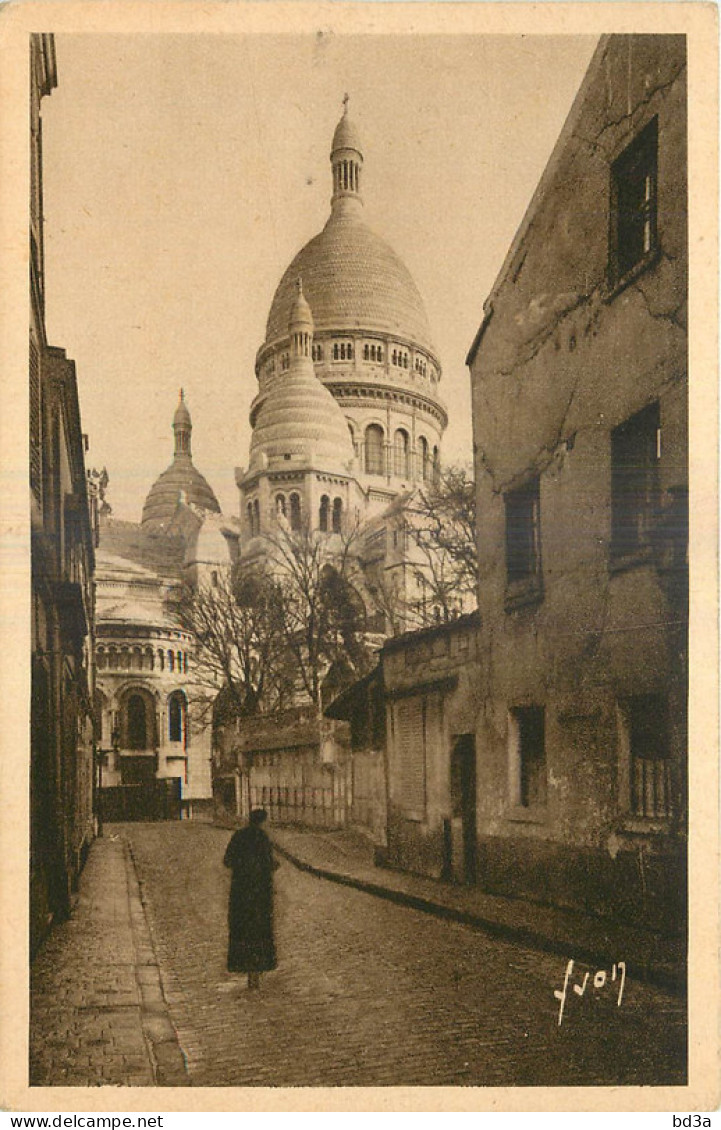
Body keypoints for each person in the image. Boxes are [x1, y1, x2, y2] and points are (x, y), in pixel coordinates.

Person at [223, 808, 278, 990]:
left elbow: (227, 860)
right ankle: (255, 972)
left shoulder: (239, 836)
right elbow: (268, 863)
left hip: (240, 894)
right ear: (262, 822)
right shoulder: (263, 838)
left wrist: (242, 866)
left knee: (243, 931)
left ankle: (248, 972)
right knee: (259, 932)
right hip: (260, 894)